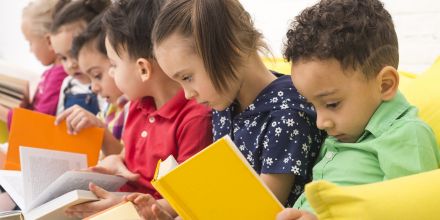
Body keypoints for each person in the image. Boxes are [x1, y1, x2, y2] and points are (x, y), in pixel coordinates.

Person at [126, 0, 325, 218]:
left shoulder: (287, 111)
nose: (187, 94)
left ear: (232, 48)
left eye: (187, 77)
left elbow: (260, 207)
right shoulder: (224, 104)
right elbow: (219, 194)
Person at [277, 0, 440, 219]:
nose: (321, 122)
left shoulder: (407, 135)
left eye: (332, 104)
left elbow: (414, 213)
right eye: (312, 104)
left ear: (385, 85)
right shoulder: (348, 130)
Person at [65, 0, 213, 218]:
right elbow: (129, 159)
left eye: (114, 65)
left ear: (143, 69)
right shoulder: (137, 106)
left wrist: (124, 205)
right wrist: (116, 161)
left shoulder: (195, 118)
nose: (112, 74)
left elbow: (189, 198)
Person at [0, 0, 68, 211]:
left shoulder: (58, 75)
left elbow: (39, 125)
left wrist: (7, 113)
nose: (30, 50)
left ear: (49, 39)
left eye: (30, 42)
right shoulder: (50, 74)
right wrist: (25, 105)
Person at [55, 14, 126, 156]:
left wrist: (101, 131)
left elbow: (127, 164)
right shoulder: (110, 109)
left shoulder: (133, 111)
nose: (94, 87)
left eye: (97, 76)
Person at [50, 0, 110, 116]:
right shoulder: (68, 85)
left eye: (74, 53)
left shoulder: (109, 88)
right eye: (63, 58)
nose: (70, 65)